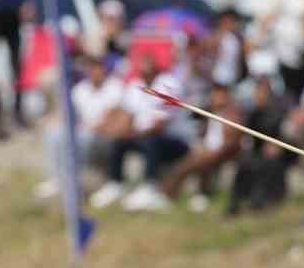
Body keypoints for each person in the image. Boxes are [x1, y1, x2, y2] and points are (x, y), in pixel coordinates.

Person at [90, 52, 192, 211]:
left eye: (149, 63)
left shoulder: (169, 84)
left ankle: (150, 188)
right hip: (143, 136)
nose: (145, 67)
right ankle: (115, 184)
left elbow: (160, 126)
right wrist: (116, 131)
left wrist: (132, 133)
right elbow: (127, 118)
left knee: (151, 140)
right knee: (118, 142)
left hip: (175, 141)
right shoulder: (135, 86)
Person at [36, 53, 124, 198]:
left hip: (105, 136)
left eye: (98, 68)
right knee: (54, 135)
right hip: (84, 130)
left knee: (83, 138)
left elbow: (111, 117)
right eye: (92, 68)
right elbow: (68, 115)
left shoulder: (114, 87)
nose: (95, 72)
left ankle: (76, 181)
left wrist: (85, 127)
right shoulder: (80, 89)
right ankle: (57, 179)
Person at [160, 81, 243, 209]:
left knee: (195, 163)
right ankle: (168, 194)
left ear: (226, 96)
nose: (215, 97)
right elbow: (204, 136)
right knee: (186, 163)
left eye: (219, 94)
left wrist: (214, 152)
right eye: (214, 94)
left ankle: (192, 194)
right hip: (206, 150)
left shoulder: (232, 115)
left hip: (222, 152)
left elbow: (231, 142)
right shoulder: (209, 113)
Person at [227, 74, 290, 216]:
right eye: (257, 92)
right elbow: (245, 132)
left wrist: (277, 144)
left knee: (266, 162)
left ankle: (260, 200)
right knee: (243, 162)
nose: (259, 95)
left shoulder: (277, 112)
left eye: (262, 92)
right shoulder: (253, 112)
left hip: (274, 154)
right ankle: (234, 203)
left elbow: (282, 135)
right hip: (256, 151)